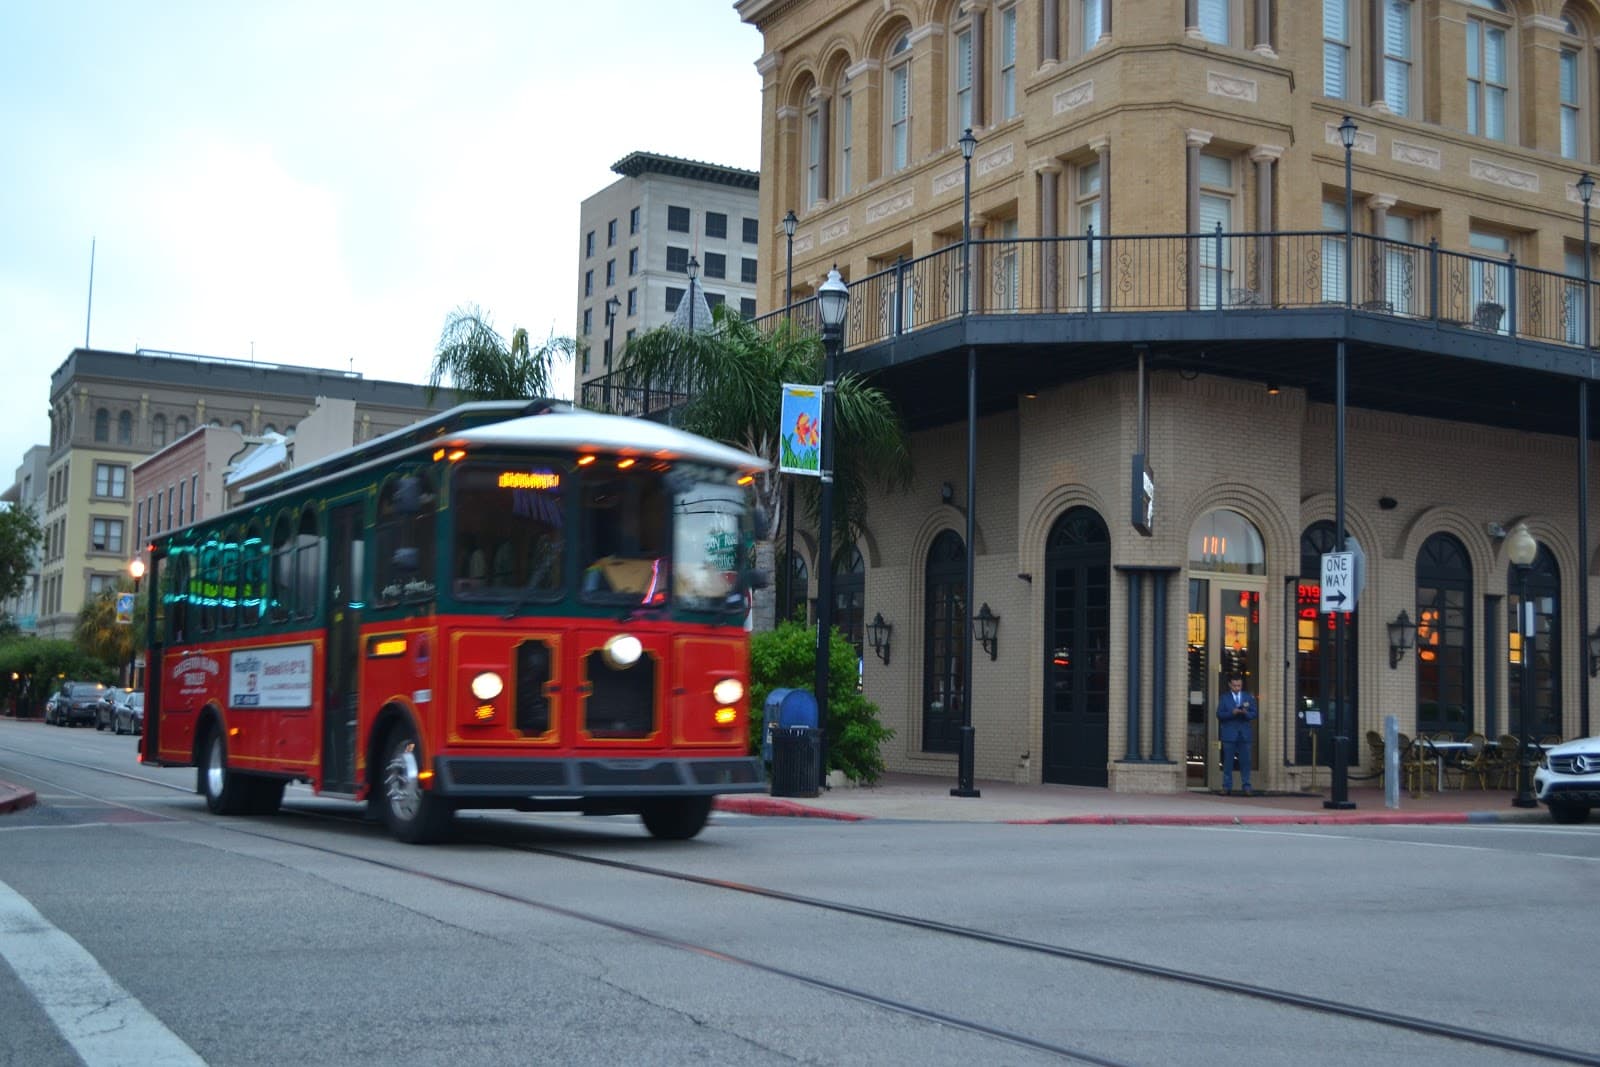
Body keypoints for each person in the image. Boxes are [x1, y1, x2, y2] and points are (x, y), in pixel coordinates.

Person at [1216, 673, 1258, 796]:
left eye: (1239, 686)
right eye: (1234, 686)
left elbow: (1254, 713)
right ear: (1230, 685)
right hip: (1229, 734)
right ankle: (1226, 786)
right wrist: (1232, 712)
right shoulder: (1224, 698)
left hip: (1244, 734)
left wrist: (1245, 713)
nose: (1237, 688)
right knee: (1228, 762)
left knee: (1245, 761)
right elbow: (1219, 714)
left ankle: (1246, 786)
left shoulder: (1248, 697)